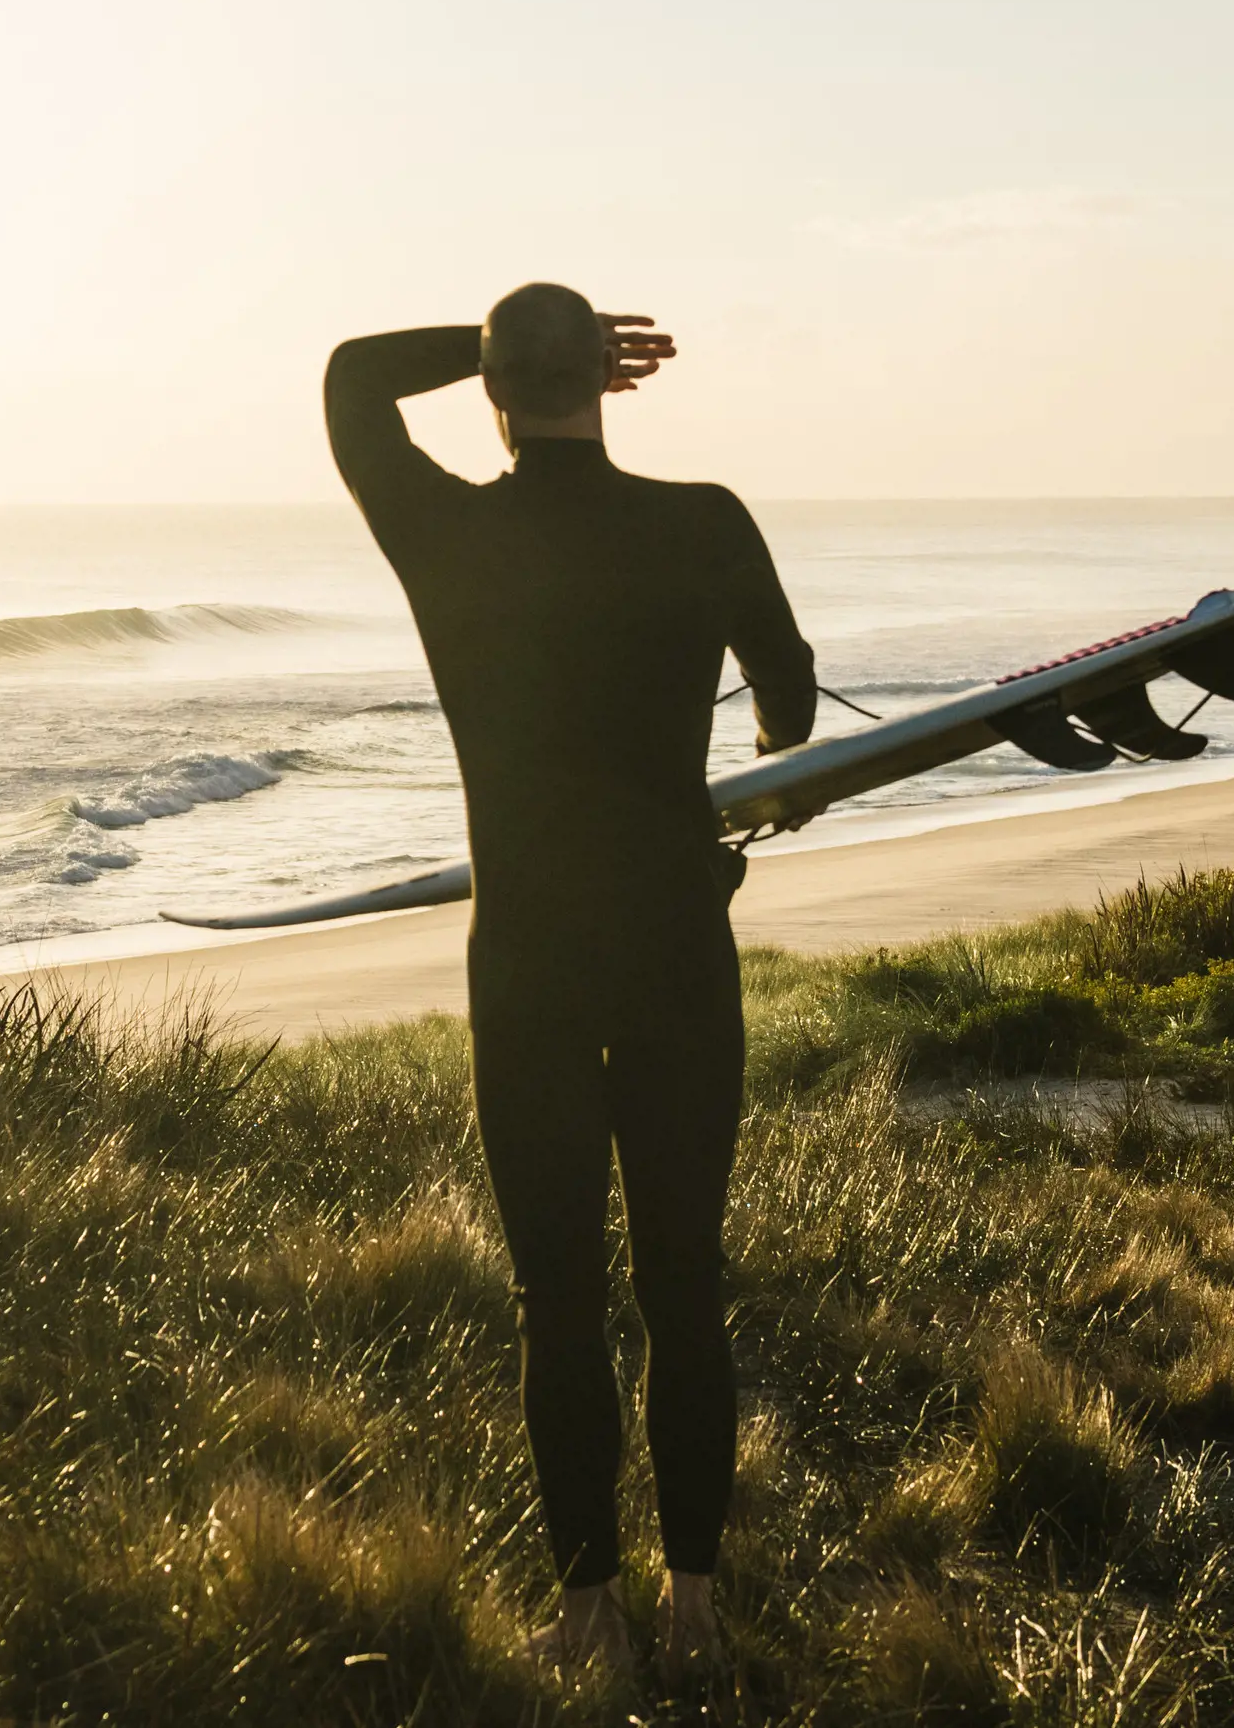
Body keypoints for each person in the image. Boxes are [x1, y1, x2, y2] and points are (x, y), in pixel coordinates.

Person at [323, 284, 815, 1679]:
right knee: (681, 1284)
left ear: (488, 387)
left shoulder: (446, 533)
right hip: (673, 946)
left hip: (528, 958)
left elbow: (352, 378)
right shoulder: (705, 521)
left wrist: (501, 334)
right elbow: (785, 706)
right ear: (604, 379)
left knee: (558, 1296)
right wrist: (754, 741)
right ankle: (698, 1612)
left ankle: (587, 1611)